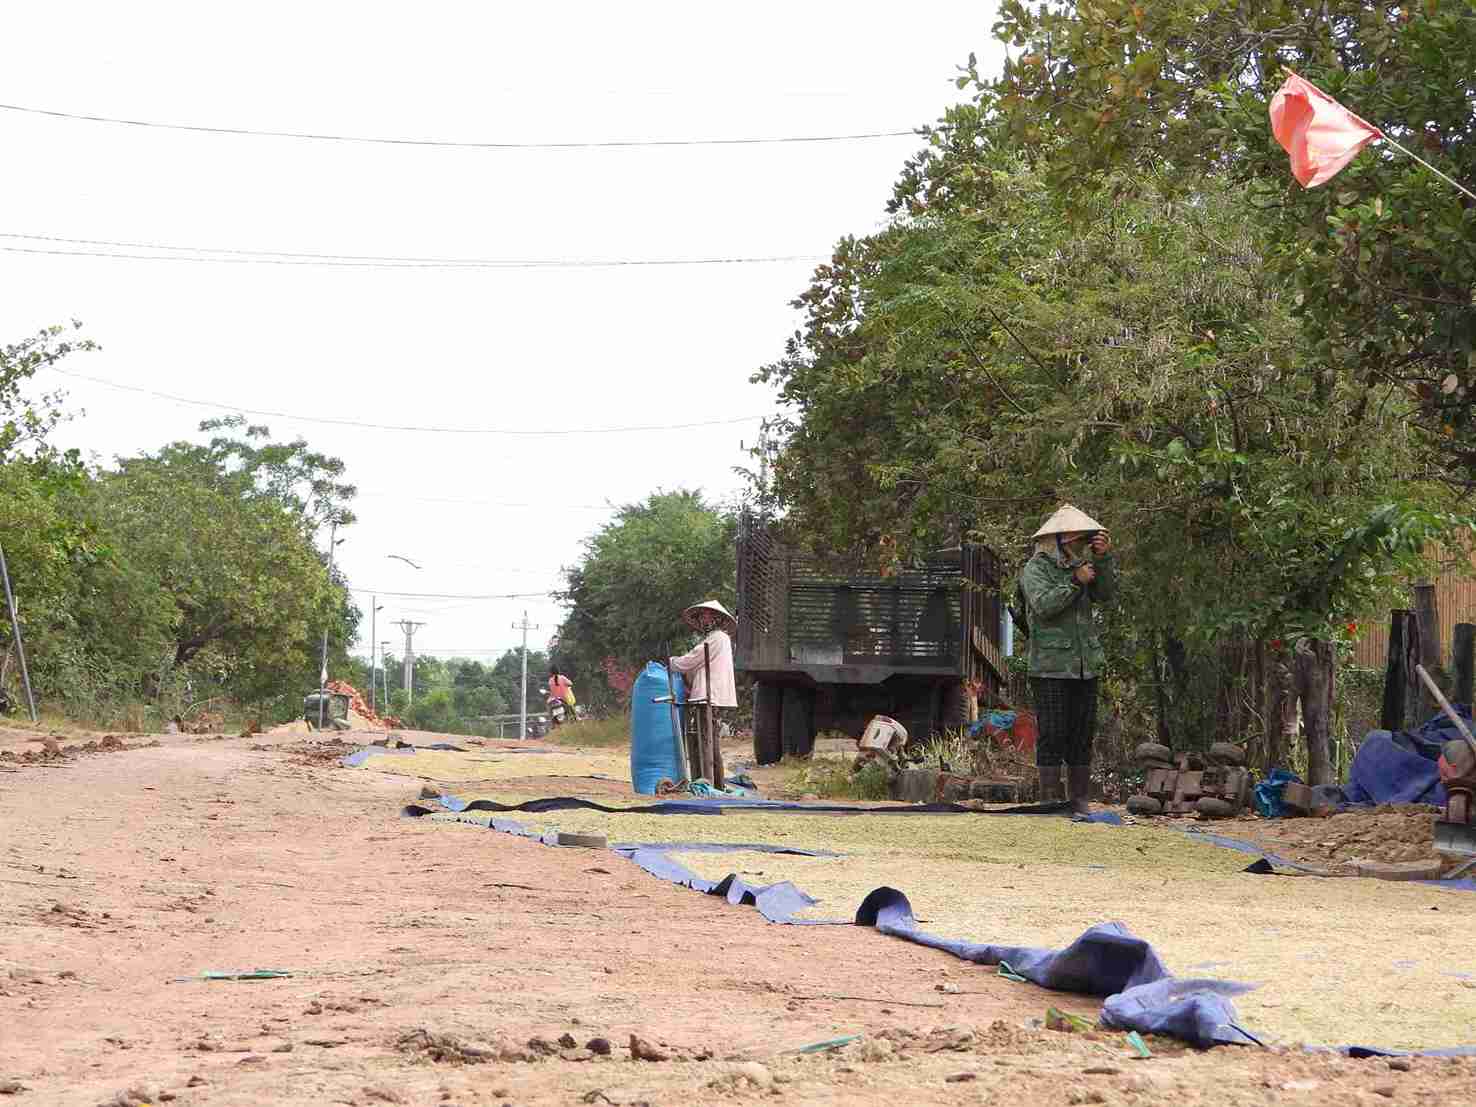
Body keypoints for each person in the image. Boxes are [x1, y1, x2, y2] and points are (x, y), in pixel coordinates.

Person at [1021, 504, 1117, 817]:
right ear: (1059, 539)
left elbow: (1106, 595)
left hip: (1084, 665)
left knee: (1082, 732)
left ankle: (1078, 800)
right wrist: (1075, 582)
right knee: (1052, 732)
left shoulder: (1086, 565)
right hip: (1050, 667)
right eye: (1078, 541)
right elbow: (1043, 606)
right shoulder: (1036, 569)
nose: (1082, 546)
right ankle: (1050, 799)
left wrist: (1104, 561)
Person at [668, 600, 737, 710]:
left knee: (707, 726)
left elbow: (689, 661)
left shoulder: (717, 637)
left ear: (716, 618)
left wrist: (670, 662)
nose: (701, 620)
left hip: (711, 697)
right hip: (717, 697)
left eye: (705, 616)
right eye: (700, 617)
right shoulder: (720, 638)